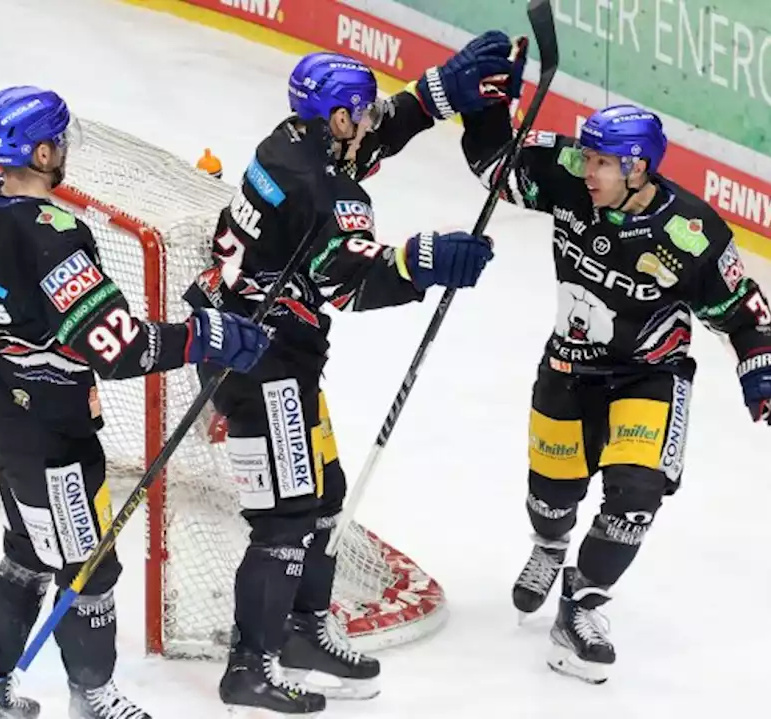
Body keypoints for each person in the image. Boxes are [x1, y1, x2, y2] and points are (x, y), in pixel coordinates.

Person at [182, 33, 521, 715]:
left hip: (249, 341)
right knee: (286, 518)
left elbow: (364, 147)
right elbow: (350, 284)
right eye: (360, 112)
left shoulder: (291, 141)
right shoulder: (328, 191)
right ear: (337, 118)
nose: (367, 122)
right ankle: (249, 667)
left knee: (326, 496)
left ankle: (304, 632)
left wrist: (433, 95)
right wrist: (428, 259)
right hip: (261, 361)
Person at [0, 85, 270, 719]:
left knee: (28, 551)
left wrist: (17, 319)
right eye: (59, 138)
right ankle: (91, 698)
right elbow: (119, 348)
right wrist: (206, 336)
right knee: (89, 568)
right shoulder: (56, 238)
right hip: (48, 428)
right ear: (43, 149)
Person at [459, 78, 771, 684]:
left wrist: (762, 362)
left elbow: (740, 308)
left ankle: (582, 605)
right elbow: (495, 167)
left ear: (638, 167)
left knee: (637, 493)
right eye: (588, 157)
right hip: (568, 367)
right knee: (551, 499)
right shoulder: (568, 174)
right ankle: (551, 545)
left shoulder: (690, 233)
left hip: (650, 375)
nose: (589, 170)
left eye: (604, 162)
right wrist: (486, 104)